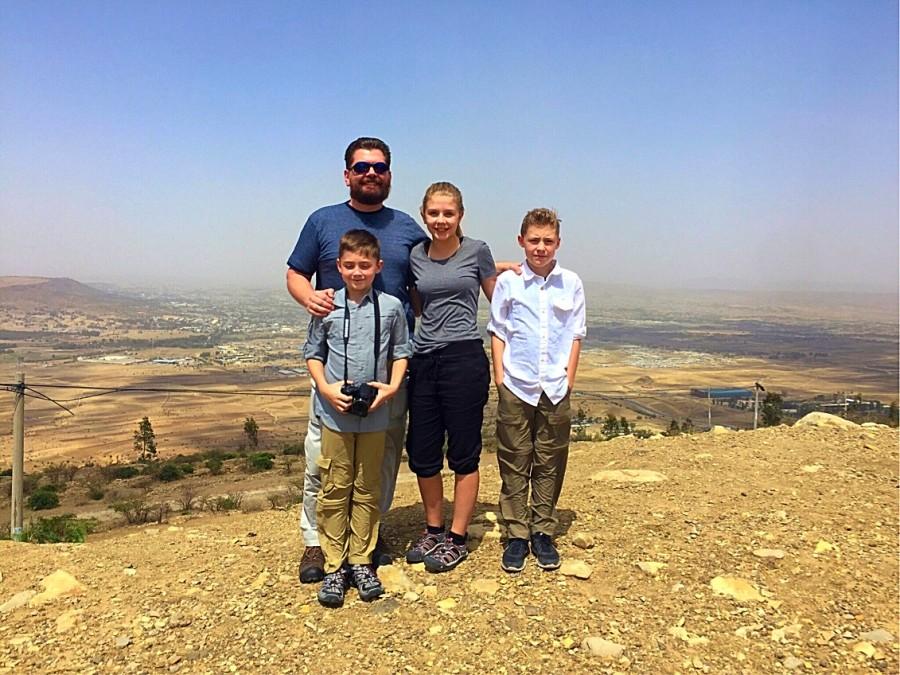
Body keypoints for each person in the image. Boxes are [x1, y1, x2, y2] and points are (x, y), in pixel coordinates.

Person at [287, 137, 428, 583]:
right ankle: (317, 541)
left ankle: (368, 535)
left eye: (379, 166)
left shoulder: (406, 227)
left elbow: (437, 268)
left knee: (381, 457)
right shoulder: (322, 221)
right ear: (347, 173)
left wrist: (497, 268)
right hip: (334, 368)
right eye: (362, 166)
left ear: (389, 174)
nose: (371, 173)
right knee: (322, 458)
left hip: (389, 369)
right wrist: (309, 297)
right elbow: (295, 272)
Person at [304, 229, 410, 607]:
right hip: (334, 416)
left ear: (378, 266)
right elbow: (312, 354)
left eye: (365, 265)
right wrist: (327, 389)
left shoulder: (393, 307)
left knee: (366, 488)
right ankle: (335, 565)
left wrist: (392, 388)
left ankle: (361, 560)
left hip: (376, 416)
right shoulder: (326, 307)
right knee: (334, 488)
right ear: (338, 267)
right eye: (349, 265)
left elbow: (401, 351)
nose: (357, 272)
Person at [404, 182, 497, 573]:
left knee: (463, 451)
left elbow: (501, 302)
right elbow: (417, 304)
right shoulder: (415, 255)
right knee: (423, 451)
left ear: (460, 215)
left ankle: (456, 537)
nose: (440, 220)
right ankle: (433, 528)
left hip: (463, 357)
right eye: (434, 214)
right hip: (424, 359)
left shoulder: (477, 251)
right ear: (424, 215)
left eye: (448, 213)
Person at [487, 208, 586, 573]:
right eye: (534, 240)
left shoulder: (571, 283)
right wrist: (500, 378)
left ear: (558, 243)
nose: (540, 247)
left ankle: (542, 530)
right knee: (514, 459)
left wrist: (569, 377)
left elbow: (576, 334)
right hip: (517, 382)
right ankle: (516, 534)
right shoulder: (509, 283)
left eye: (547, 241)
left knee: (550, 461)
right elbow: (497, 330)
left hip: (556, 386)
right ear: (521, 242)